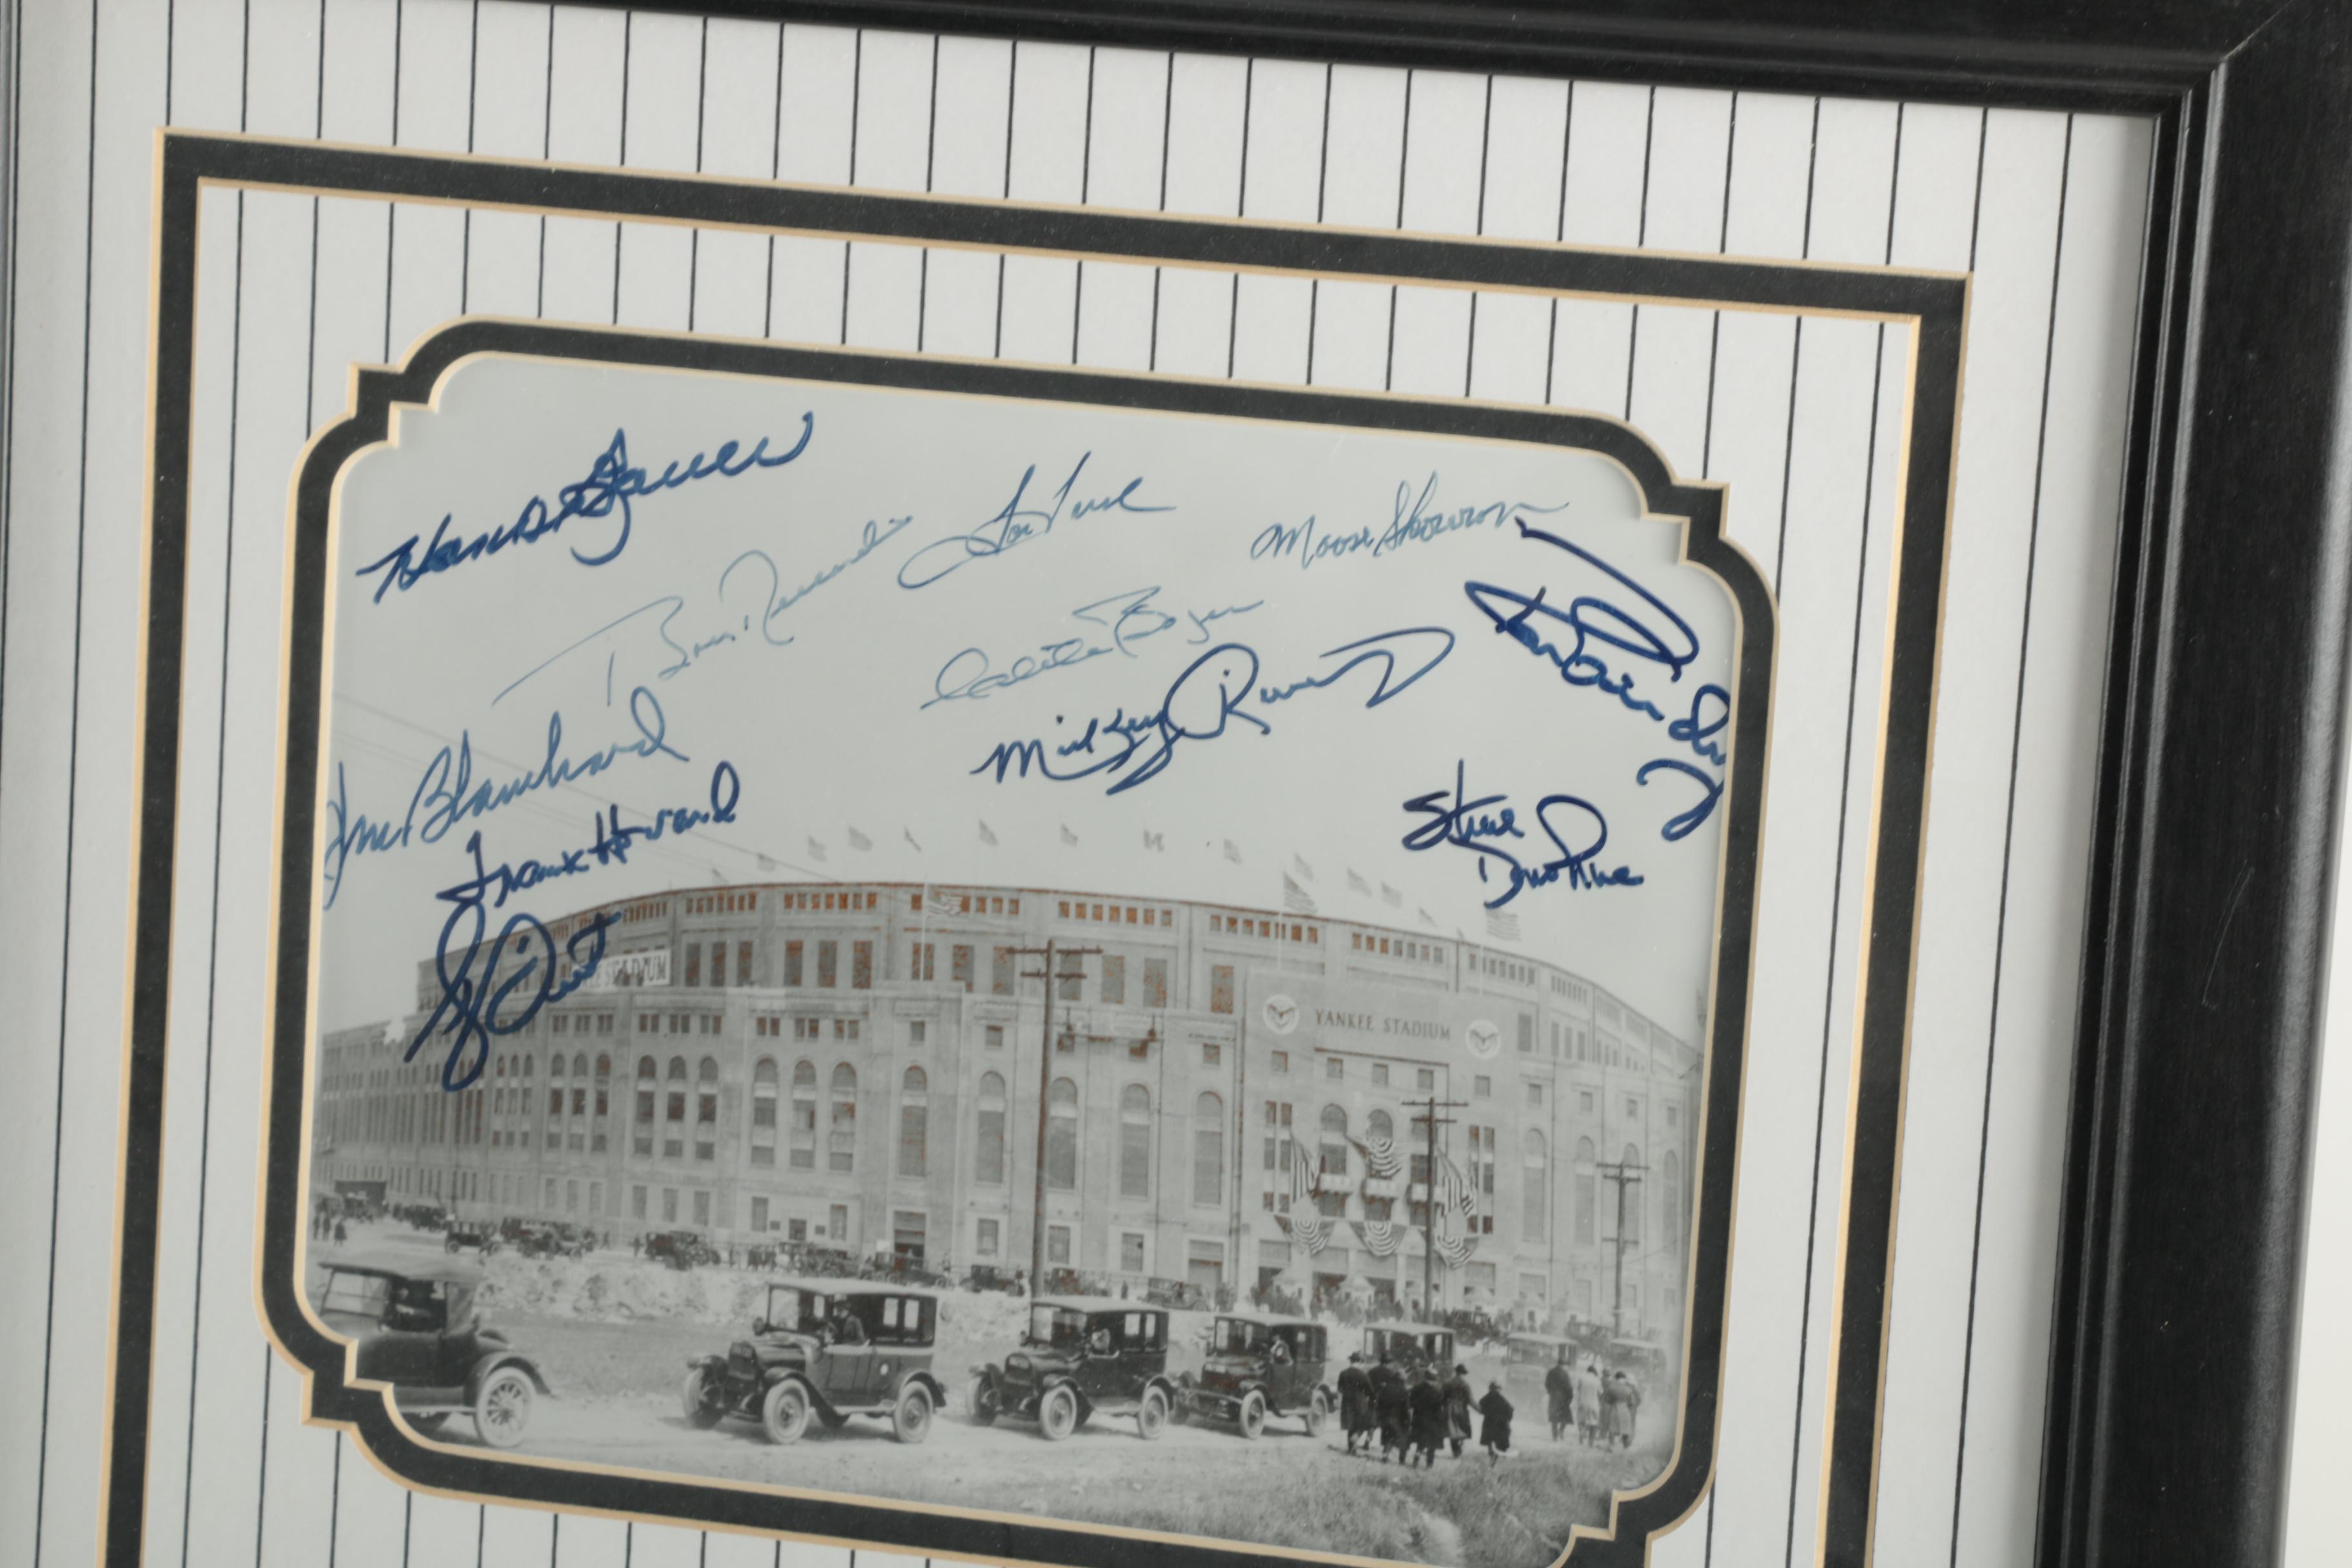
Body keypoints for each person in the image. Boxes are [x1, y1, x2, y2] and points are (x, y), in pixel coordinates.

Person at [1373, 1354, 1411, 1463]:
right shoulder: (1404, 1391)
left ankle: (1385, 1454)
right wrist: (1408, 1420)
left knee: (1388, 1438)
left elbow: (1379, 1404)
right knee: (1403, 1437)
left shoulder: (1385, 1389)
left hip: (1386, 1418)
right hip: (1399, 1419)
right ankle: (1402, 1459)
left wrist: (1380, 1417)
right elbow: (1406, 1408)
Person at [1407, 1366, 1447, 1468]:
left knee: (1421, 1439)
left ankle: (1417, 1456)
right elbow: (1441, 1405)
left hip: (1419, 1418)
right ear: (1435, 1378)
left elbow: (1411, 1403)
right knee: (1432, 1442)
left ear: (1425, 1376)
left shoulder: (1416, 1387)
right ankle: (1429, 1463)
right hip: (1433, 1419)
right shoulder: (1438, 1389)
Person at [1338, 1353, 1375, 1455]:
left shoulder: (1343, 1373)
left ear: (1351, 1361)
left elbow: (1340, 1389)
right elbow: (1370, 1390)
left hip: (1347, 1402)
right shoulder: (1363, 1375)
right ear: (1359, 1362)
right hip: (1360, 1402)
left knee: (1350, 1425)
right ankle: (1356, 1437)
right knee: (1361, 1424)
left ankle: (1351, 1449)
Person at [1476, 1379, 1515, 1464]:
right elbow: (1511, 1409)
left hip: (1490, 1421)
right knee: (1499, 1439)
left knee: (1490, 1439)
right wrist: (1508, 1419)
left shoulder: (1486, 1398)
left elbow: (1481, 1407)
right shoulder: (1501, 1398)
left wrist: (1486, 1413)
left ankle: (1492, 1453)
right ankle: (1496, 1454)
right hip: (1500, 1422)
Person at [1444, 1363, 1475, 1458]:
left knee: (1452, 1430)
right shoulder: (1466, 1384)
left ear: (1456, 1372)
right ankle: (1460, 1446)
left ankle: (1455, 1451)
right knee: (1463, 1428)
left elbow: (1443, 1397)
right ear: (1464, 1373)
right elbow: (1470, 1400)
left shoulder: (1448, 1383)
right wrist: (1481, 1410)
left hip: (1450, 1408)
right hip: (1461, 1409)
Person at [1545, 1355, 1576, 1441]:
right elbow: (1569, 1387)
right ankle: (1561, 1431)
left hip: (1553, 1397)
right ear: (1564, 1365)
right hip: (1563, 1398)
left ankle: (1554, 1436)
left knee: (1554, 1417)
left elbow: (1547, 1384)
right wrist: (1570, 1398)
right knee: (1566, 1417)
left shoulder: (1551, 1372)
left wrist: (1551, 1393)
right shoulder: (1565, 1373)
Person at [1611, 1369, 1642, 1449]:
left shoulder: (1627, 1387)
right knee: (1630, 1425)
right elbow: (1639, 1400)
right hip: (1631, 1408)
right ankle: (1628, 1441)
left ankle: (1626, 1441)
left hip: (1628, 1407)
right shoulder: (1634, 1388)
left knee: (1626, 1425)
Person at [1576, 1358, 1604, 1447]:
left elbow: (1578, 1389)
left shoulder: (1582, 1378)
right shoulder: (1597, 1380)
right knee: (1594, 1423)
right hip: (1594, 1404)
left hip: (1583, 1403)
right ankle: (1590, 1442)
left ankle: (1582, 1432)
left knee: (1581, 1420)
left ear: (1587, 1371)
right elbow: (1601, 1393)